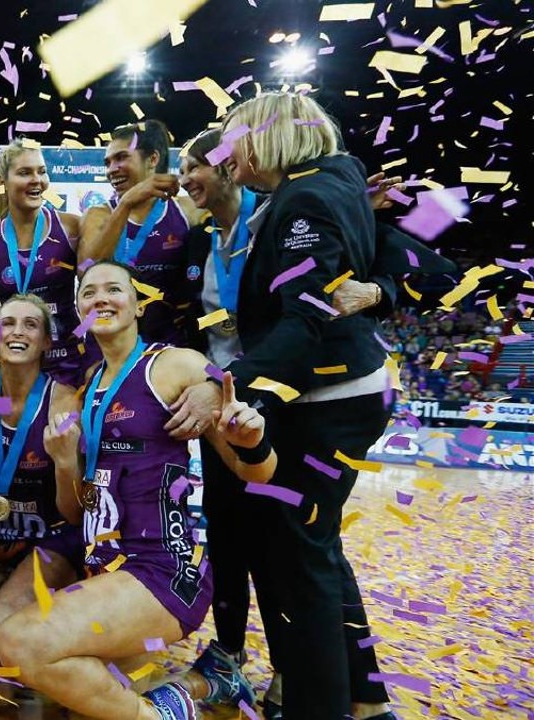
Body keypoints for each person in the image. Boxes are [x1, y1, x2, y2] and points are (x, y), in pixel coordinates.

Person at [176, 127, 446, 718]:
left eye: (201, 164)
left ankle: (301, 689)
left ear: (232, 167)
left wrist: (375, 291)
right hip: (237, 406)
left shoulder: (296, 208)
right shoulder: (206, 237)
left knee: (297, 552)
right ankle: (359, 698)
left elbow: (408, 266)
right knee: (280, 544)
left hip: (292, 398)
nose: (189, 176)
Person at [0, 260, 277, 720]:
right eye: (88, 293)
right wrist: (64, 462)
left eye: (113, 289)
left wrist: (252, 440)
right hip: (101, 563)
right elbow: (77, 510)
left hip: (162, 568)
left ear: (138, 304)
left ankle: (161, 715)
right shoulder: (88, 386)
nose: (100, 299)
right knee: (46, 670)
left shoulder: (177, 365)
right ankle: (202, 682)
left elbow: (258, 473)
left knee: (21, 642)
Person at [0, 294, 83, 709]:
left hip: (47, 541)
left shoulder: (64, 402)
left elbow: (74, 513)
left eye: (31, 325)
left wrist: (66, 463)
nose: (17, 332)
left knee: (0, 625)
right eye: (8, 323)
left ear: (46, 342)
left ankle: (71, 651)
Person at [0, 141, 85, 385]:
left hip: (70, 362)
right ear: (3, 181)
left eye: (42, 171)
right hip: (14, 365)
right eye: (25, 172)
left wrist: (83, 335)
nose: (37, 180)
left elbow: (95, 291)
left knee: (66, 412)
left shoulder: (72, 228)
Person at [80, 120, 202, 347]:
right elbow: (86, 270)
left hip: (170, 344)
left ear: (153, 159)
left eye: (121, 157)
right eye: (108, 162)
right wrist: (125, 204)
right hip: (109, 344)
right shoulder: (99, 214)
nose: (111, 169)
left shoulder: (187, 211)